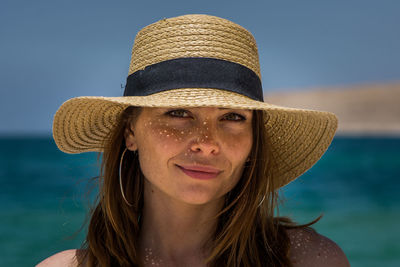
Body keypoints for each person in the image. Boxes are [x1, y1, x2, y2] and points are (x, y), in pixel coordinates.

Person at [37, 14, 350, 267]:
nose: (207, 142)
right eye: (178, 113)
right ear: (130, 132)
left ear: (254, 140)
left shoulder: (307, 260)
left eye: (233, 117)